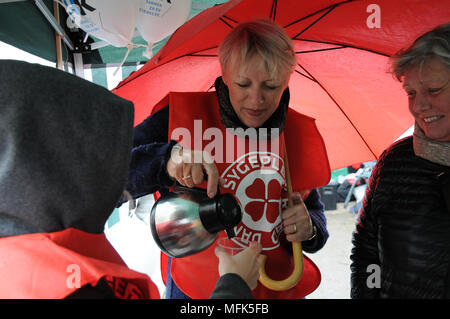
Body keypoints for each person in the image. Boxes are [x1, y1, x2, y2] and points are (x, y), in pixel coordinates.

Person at [0, 59, 262, 299]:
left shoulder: (33, 248)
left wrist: (164, 162)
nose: (116, 177)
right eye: (98, 154)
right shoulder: (61, 285)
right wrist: (235, 285)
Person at [124, 19, 331, 299]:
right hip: (197, 289)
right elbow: (109, 177)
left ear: (287, 81)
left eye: (270, 86)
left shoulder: (294, 133)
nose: (256, 99)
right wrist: (167, 160)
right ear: (224, 74)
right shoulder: (180, 117)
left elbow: (314, 213)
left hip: (276, 286)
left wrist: (311, 229)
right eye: (243, 83)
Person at [350, 24, 450, 298]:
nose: (419, 106)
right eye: (412, 93)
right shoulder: (394, 162)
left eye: (433, 90)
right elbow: (366, 254)